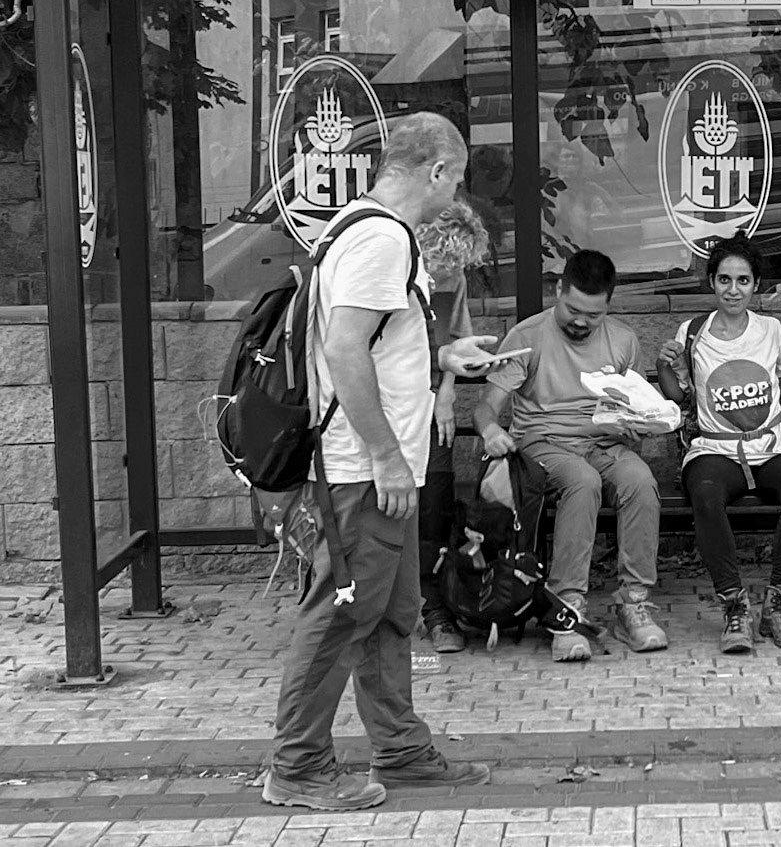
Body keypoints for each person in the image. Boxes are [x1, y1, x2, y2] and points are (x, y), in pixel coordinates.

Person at [265, 113, 499, 812]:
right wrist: (388, 458)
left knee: (392, 612)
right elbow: (342, 352)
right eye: (455, 180)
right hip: (366, 471)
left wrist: (441, 357)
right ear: (435, 171)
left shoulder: (362, 230)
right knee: (339, 614)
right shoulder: (381, 238)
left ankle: (400, 750)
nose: (454, 195)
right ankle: (298, 767)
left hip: (380, 467)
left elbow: (371, 346)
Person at [474, 249, 668, 662]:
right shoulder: (527, 337)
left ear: (608, 306)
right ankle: (566, 608)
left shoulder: (623, 340)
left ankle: (632, 602)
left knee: (640, 481)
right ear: (558, 290)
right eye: (572, 309)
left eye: (592, 315)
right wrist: (490, 429)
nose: (580, 321)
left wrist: (638, 424)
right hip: (543, 441)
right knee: (582, 482)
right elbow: (486, 406)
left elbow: (634, 404)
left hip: (605, 440)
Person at [655, 233, 781, 653]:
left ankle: (779, 601)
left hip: (773, 443)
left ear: (755, 284)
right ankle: (734, 606)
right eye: (724, 279)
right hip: (715, 447)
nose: (732, 289)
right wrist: (663, 364)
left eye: (742, 280)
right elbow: (678, 396)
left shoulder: (771, 329)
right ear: (711, 282)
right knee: (704, 494)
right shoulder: (692, 332)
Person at [414, 201, 492, 655]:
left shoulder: (453, 277)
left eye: (455, 266)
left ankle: (434, 604)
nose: (447, 275)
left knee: (435, 503)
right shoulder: (392, 271)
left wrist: (446, 392)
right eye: (440, 265)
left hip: (427, 400)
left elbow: (452, 344)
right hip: (381, 401)